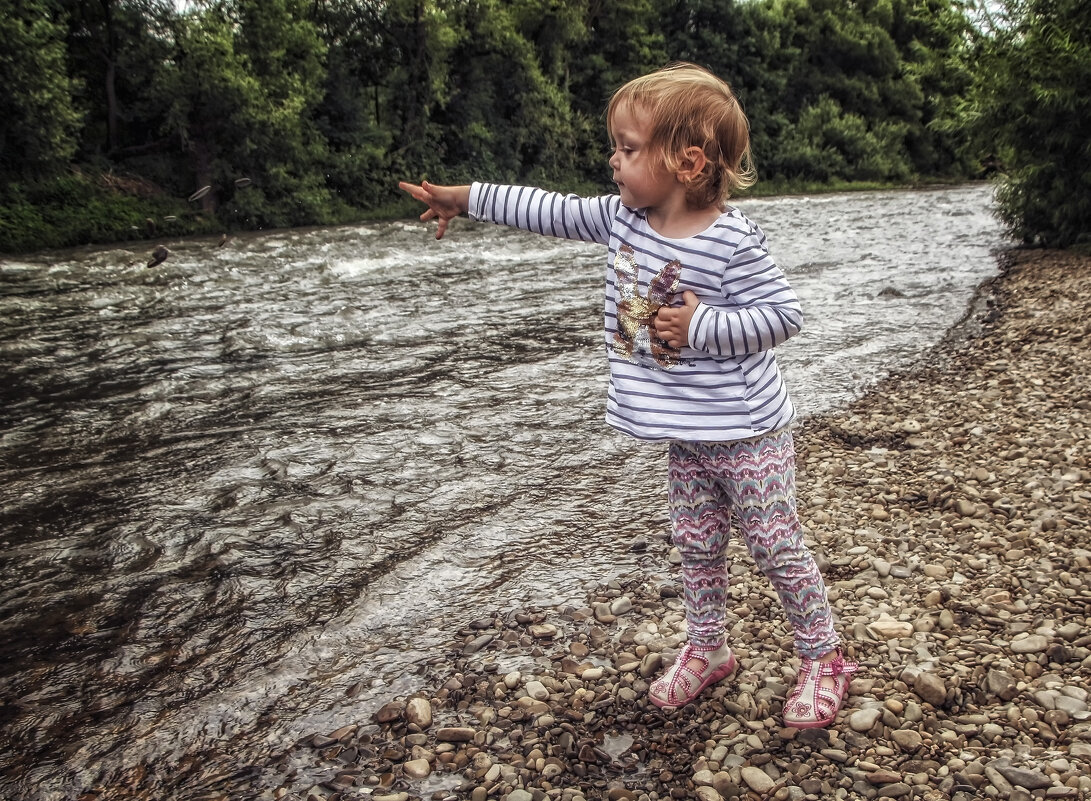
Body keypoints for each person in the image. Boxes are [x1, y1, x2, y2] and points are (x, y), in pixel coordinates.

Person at [399, 62, 857, 729]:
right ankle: (708, 647)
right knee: (695, 540)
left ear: (686, 160)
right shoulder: (622, 219)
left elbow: (783, 317)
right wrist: (464, 198)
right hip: (686, 431)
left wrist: (701, 324)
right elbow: (546, 209)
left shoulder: (732, 240)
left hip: (746, 431)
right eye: (615, 146)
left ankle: (823, 657)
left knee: (772, 542)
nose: (613, 161)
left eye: (628, 148)